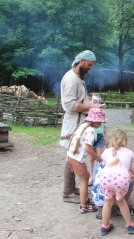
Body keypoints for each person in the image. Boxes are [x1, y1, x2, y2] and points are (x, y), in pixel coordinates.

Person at [59, 50, 102, 204]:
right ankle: (67, 193)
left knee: (74, 155)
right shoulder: (71, 79)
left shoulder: (78, 78)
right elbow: (70, 105)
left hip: (79, 121)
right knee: (72, 156)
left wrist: (91, 102)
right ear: (82, 61)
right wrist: (91, 107)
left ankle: (71, 188)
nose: (90, 68)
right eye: (89, 65)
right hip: (73, 122)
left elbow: (79, 99)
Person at [99, 129, 134, 236]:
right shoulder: (130, 152)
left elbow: (106, 164)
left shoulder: (106, 152)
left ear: (112, 140)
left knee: (107, 202)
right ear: (126, 141)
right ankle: (129, 225)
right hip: (121, 180)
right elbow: (128, 167)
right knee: (121, 202)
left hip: (105, 179)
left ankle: (104, 226)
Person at [67, 108, 106, 214]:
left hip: (70, 157)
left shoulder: (83, 126)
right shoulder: (91, 131)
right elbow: (88, 149)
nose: (102, 123)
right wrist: (97, 156)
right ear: (95, 121)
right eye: (100, 121)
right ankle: (83, 206)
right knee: (84, 182)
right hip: (78, 160)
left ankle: (84, 199)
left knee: (87, 176)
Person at [88, 94, 108, 186]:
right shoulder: (90, 112)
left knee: (100, 157)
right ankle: (91, 176)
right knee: (91, 157)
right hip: (91, 136)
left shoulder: (101, 113)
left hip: (100, 136)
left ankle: (100, 176)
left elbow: (105, 126)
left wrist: (106, 137)